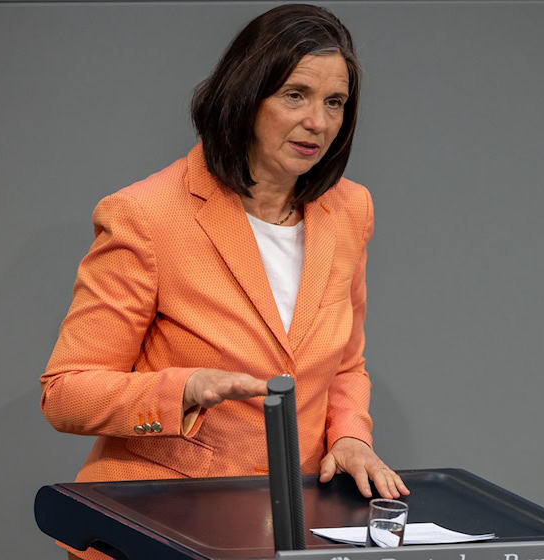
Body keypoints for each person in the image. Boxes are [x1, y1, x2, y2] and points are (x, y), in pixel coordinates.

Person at [41, 4, 408, 558]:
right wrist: (184, 390)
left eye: (335, 102)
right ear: (244, 95)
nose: (319, 122)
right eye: (295, 95)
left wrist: (351, 435)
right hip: (157, 526)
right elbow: (65, 392)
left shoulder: (351, 209)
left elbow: (344, 364)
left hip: (287, 529)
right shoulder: (146, 215)